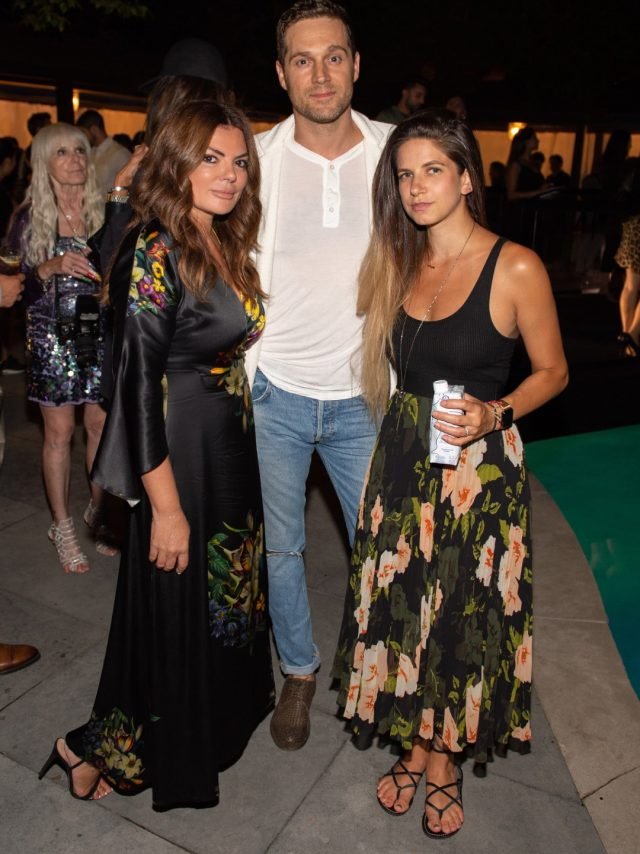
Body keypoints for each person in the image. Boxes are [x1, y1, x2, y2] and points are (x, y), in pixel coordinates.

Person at [332, 111, 568, 839]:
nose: (416, 186)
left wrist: (496, 412)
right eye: (405, 174)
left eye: (433, 170)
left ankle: (441, 761)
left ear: (466, 177)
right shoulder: (397, 261)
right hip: (405, 458)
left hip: (478, 471)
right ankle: (412, 743)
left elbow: (554, 373)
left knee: (460, 616)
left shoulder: (516, 266)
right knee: (405, 605)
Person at [38, 100, 274, 809]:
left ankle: (143, 741)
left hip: (227, 452)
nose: (229, 175)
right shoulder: (156, 248)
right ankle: (111, 748)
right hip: (178, 456)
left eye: (239, 162)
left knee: (220, 601)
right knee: (173, 611)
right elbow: (137, 388)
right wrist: (164, 508)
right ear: (176, 163)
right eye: (211, 159)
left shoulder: (219, 236)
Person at [247, 0, 391, 752]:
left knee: (383, 550)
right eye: (302, 60)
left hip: (365, 395)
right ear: (282, 74)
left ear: (356, 64)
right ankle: (297, 672)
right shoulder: (255, 159)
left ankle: (371, 670)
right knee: (282, 549)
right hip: (275, 391)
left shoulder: (395, 153)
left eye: (334, 56)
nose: (321, 74)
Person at [8, 123, 114, 573]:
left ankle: (99, 514)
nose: (75, 160)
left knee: (99, 426)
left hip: (96, 332)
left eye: (80, 151)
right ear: (44, 164)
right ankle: (62, 526)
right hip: (50, 337)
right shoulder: (28, 219)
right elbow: (13, 291)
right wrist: (48, 267)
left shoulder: (103, 211)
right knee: (58, 434)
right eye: (63, 153)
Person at [76, 110, 131, 197]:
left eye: (83, 132)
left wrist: (113, 204)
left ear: (94, 129)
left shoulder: (120, 154)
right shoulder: (89, 152)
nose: (82, 138)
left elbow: (128, 190)